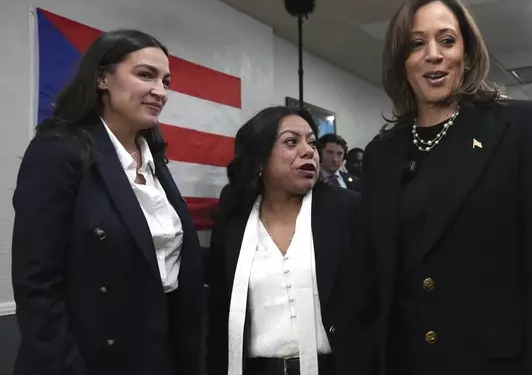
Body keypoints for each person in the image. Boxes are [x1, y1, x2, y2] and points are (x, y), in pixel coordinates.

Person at [358, 0, 532, 375]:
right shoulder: (381, 154)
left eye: (446, 40)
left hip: (493, 363)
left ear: (468, 52)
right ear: (401, 61)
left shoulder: (522, 127)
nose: (433, 54)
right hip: (406, 361)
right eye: (416, 44)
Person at [11, 30, 204, 375]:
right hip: (88, 358)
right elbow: (37, 284)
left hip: (160, 354)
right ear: (102, 77)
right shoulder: (59, 149)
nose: (160, 91)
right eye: (146, 75)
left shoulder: (156, 162)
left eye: (166, 81)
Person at [206, 106, 362, 375]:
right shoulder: (234, 221)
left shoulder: (347, 209)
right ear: (259, 158)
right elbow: (218, 311)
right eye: (291, 142)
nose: (308, 151)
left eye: (312, 142)